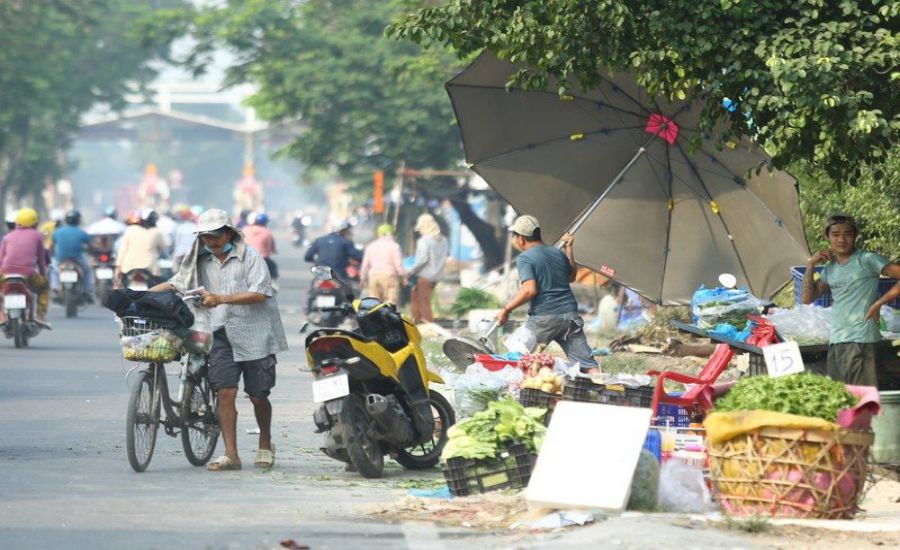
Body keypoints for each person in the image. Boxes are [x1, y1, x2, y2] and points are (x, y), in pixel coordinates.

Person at [151, 208, 287, 471]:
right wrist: (140, 295)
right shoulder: (200, 261)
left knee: (258, 395)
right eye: (205, 237)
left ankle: (265, 442)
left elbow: (260, 292)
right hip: (220, 331)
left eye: (215, 236)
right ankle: (231, 455)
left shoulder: (250, 256)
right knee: (225, 392)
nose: (211, 242)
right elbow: (177, 283)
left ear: (227, 234)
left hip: (255, 332)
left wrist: (220, 298)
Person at [802, 214, 900, 387]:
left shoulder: (867, 259)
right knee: (841, 402)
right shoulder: (830, 268)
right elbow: (807, 298)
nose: (841, 239)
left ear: (855, 236)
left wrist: (879, 303)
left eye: (847, 233)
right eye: (835, 234)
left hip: (861, 341)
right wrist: (811, 264)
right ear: (827, 237)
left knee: (861, 402)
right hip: (837, 342)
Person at [494, 215, 599, 373]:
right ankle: (604, 391)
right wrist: (569, 250)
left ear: (521, 239)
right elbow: (571, 277)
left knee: (518, 357)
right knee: (588, 365)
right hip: (570, 317)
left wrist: (506, 309)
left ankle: (513, 389)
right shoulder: (557, 253)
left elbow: (530, 290)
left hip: (544, 319)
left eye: (515, 236)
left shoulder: (525, 258)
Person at [0, 208, 51, 327]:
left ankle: (1, 315)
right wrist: (43, 275)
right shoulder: (38, 236)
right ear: (35, 222)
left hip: (6, 273)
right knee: (44, 287)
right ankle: (40, 315)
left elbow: (1, 259)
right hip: (27, 274)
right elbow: (41, 260)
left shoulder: (8, 237)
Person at [405, 213, 449, 324]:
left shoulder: (424, 241)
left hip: (425, 275)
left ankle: (428, 324)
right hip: (437, 275)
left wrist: (410, 271)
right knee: (416, 297)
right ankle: (416, 321)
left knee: (424, 301)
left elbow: (422, 260)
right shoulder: (444, 240)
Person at [115, 209, 168, 286]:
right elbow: (163, 247)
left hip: (129, 268)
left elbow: (122, 250)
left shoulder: (130, 230)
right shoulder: (157, 232)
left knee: (119, 287)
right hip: (151, 269)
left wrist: (118, 267)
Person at [51, 210, 95, 299]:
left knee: (54, 271)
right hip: (77, 259)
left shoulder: (57, 232)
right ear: (78, 220)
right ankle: (88, 290)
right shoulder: (82, 233)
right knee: (87, 271)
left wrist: (52, 253)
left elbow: (51, 247)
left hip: (61, 259)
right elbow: (91, 247)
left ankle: (55, 287)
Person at [360, 223, 404, 304]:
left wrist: (362, 277)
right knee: (390, 302)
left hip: (373, 276)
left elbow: (365, 264)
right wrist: (404, 276)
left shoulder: (371, 246)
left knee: (374, 302)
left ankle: (376, 316)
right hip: (389, 276)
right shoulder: (394, 246)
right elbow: (398, 265)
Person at [243, 212, 278, 280]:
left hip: (246, 257)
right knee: (273, 267)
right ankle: (272, 283)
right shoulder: (267, 232)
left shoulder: (245, 229)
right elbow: (271, 247)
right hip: (262, 258)